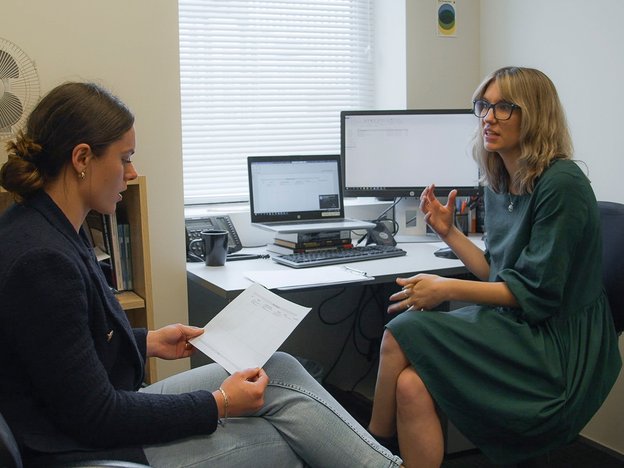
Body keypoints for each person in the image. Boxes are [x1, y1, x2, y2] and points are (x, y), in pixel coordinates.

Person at [0, 82, 403, 468]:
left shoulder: (49, 226)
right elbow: (95, 414)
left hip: (92, 422)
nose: (133, 172)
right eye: (124, 158)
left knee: (277, 367)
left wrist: (148, 342)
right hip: (76, 449)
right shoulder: (41, 260)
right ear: (82, 158)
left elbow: (64, 355)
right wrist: (219, 404)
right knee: (288, 442)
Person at [368, 66, 622, 468]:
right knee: (411, 385)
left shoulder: (563, 184)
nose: (488, 117)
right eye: (484, 106)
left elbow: (534, 293)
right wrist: (450, 233)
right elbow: (497, 274)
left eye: (504, 107)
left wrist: (446, 288)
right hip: (515, 324)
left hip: (554, 347)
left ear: (535, 114)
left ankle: (368, 452)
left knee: (400, 332)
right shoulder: (502, 179)